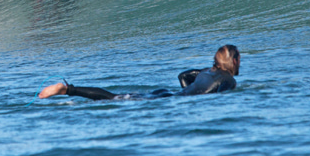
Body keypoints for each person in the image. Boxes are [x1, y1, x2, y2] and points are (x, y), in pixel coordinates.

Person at [38, 45, 241, 100]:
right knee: (113, 98)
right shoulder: (228, 80)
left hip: (167, 94)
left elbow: (184, 76)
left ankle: (69, 90)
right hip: (169, 99)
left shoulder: (207, 70)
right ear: (233, 61)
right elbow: (219, 96)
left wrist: (186, 95)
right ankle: (66, 90)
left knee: (115, 96)